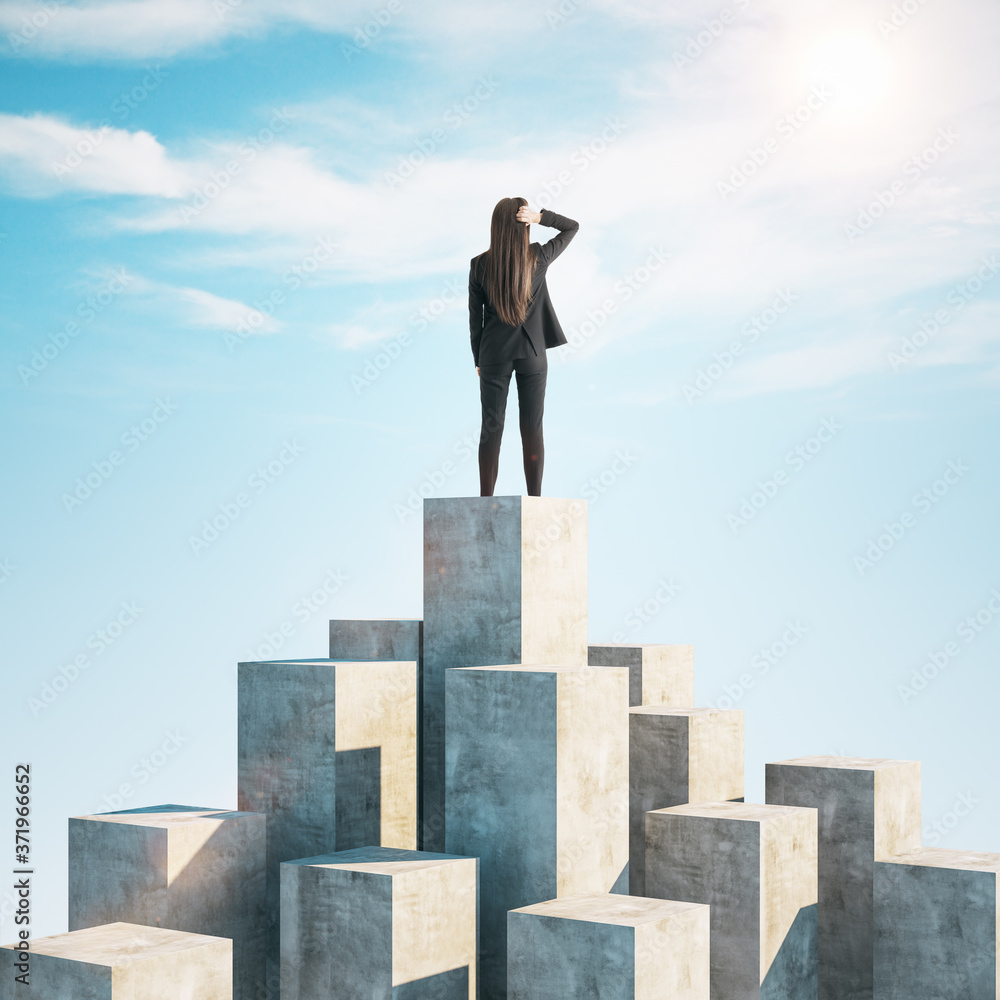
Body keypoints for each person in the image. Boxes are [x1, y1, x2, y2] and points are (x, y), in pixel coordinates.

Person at [469, 197, 579, 497]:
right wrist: (541, 217)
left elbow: (474, 319)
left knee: (491, 430)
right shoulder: (538, 256)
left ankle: (485, 500)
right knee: (532, 428)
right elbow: (571, 228)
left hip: (493, 355)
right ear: (523, 224)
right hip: (532, 353)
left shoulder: (478, 265)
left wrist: (478, 358)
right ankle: (535, 499)